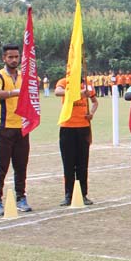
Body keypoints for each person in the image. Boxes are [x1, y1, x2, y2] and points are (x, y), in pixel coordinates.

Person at [0, 44, 32, 215]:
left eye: (16, 57)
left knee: (21, 165)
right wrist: (15, 92)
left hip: (21, 127)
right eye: (10, 57)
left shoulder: (23, 76)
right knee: (1, 167)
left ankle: (21, 197)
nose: (14, 60)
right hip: (3, 127)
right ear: (4, 58)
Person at [55, 72, 98, 206]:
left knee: (82, 164)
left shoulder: (88, 84)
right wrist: (79, 93)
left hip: (83, 127)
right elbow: (58, 92)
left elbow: (95, 102)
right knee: (68, 163)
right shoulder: (64, 82)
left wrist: (91, 113)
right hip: (67, 127)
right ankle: (68, 195)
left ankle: (83, 194)